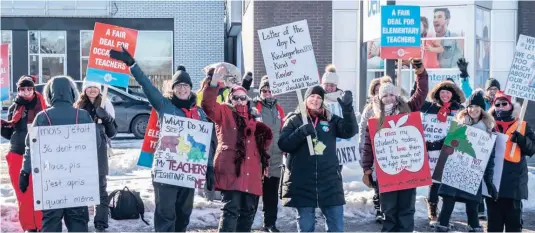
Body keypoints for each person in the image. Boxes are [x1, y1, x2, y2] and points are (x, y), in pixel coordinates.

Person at [109, 48, 216, 232]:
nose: (182, 89)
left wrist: (209, 168)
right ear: (173, 89)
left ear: (190, 89)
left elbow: (204, 143)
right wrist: (132, 65)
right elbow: (146, 85)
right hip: (166, 172)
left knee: (184, 215)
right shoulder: (164, 105)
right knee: (166, 216)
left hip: (188, 172)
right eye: (178, 86)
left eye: (185, 86)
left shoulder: (199, 113)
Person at [19, 75, 100, 232]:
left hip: (51, 182)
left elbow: (31, 148)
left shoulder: (42, 117)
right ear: (72, 92)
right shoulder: (82, 116)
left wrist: (25, 172)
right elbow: (95, 144)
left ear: (50, 93)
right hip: (77, 180)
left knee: (51, 222)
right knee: (78, 222)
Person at [201, 65, 273, 232]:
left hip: (252, 172)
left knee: (248, 212)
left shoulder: (254, 119)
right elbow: (208, 105)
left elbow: (262, 146)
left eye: (243, 98)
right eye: (236, 98)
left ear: (247, 100)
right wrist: (214, 83)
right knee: (231, 211)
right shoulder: (224, 113)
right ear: (230, 99)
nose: (240, 101)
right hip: (231, 170)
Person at [361, 58, 429, 232]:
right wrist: (367, 169)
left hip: (408, 170)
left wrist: (420, 72)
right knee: (389, 210)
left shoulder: (408, 108)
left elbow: (421, 93)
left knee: (406, 210)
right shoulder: (375, 120)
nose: (389, 98)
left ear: (396, 95)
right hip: (387, 171)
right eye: (385, 95)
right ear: (380, 98)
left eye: (392, 94)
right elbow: (368, 147)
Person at [278, 85, 358, 232]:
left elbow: (350, 131)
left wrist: (347, 110)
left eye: (319, 97)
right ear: (305, 99)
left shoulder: (330, 119)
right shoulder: (294, 119)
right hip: (303, 182)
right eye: (312, 96)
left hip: (329, 181)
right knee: (306, 227)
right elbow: (284, 144)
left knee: (336, 226)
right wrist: (301, 132)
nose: (315, 100)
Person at [429, 90, 497, 232]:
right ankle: (441, 228)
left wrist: (489, 182)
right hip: (454, 171)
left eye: (477, 106)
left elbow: (489, 159)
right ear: (467, 108)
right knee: (447, 205)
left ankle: (474, 228)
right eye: (470, 106)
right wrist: (430, 145)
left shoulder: (488, 132)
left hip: (473, 174)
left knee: (472, 208)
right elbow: (446, 143)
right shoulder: (459, 125)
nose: (473, 110)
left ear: (482, 109)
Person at [1, 75, 46, 232]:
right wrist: (4, 129)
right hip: (17, 152)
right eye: (22, 89)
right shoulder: (15, 106)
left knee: (38, 191)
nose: (26, 92)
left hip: (38, 153)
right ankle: (29, 226)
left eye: (29, 89)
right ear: (18, 90)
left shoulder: (41, 105)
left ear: (33, 89)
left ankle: (40, 224)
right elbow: (11, 132)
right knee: (22, 192)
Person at [487, 91, 535, 232]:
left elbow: (532, 149)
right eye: (497, 104)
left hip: (514, 184)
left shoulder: (522, 125)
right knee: (493, 226)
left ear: (511, 105)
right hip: (493, 183)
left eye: (504, 103)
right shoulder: (488, 125)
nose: (501, 107)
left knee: (513, 225)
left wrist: (522, 139)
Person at [421, 78, 466, 226]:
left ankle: (445, 215)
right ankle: (432, 211)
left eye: (448, 92)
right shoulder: (429, 107)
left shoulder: (459, 110)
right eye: (442, 92)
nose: (445, 95)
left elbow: (464, 129)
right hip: (432, 150)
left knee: (447, 183)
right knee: (433, 183)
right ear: (438, 93)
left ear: (453, 94)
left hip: (449, 151)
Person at [74, 81, 117, 232]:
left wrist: (106, 118)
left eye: (95, 88)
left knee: (100, 187)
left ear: (99, 90)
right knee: (82, 187)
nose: (92, 90)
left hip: (99, 153)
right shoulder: (78, 106)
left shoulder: (106, 104)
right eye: (89, 87)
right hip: (82, 153)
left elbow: (112, 133)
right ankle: (81, 220)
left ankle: (101, 221)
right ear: (85, 89)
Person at [252, 76, 285, 232]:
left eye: (270, 90)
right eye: (264, 90)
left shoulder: (279, 109)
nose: (267, 93)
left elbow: (282, 130)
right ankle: (247, 222)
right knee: (253, 193)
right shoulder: (253, 106)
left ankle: (270, 224)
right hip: (258, 157)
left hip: (276, 157)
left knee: (271, 194)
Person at [358, 77, 383, 223]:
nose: (378, 92)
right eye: (376, 90)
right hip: (373, 149)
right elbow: (362, 129)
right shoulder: (369, 109)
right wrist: (362, 148)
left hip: (389, 149)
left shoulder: (393, 106)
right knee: (376, 182)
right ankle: (379, 208)